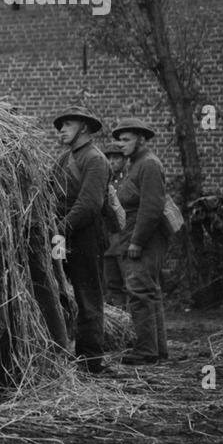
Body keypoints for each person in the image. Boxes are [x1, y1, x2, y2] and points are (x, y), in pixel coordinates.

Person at [105, 119, 171, 364]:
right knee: (149, 291)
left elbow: (152, 207)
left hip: (145, 238)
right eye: (120, 140)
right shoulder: (136, 164)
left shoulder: (149, 164)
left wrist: (137, 242)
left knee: (139, 291)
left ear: (141, 140)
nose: (121, 145)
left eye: (126, 140)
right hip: (135, 235)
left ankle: (145, 350)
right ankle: (157, 350)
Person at [51, 106, 110, 374]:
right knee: (60, 292)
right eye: (60, 125)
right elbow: (49, 193)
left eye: (68, 124)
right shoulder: (64, 159)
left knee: (88, 297)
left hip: (85, 236)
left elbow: (89, 204)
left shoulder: (95, 160)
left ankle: (90, 361)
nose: (61, 129)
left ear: (84, 127)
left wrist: (60, 229)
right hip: (62, 236)